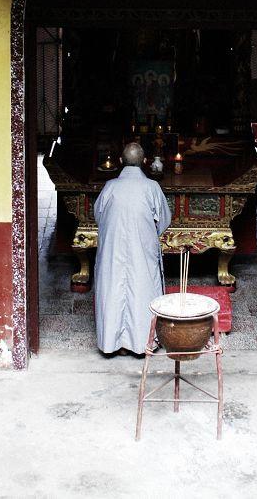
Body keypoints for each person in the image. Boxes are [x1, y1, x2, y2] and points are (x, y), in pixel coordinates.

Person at [94, 142, 172, 355]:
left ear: (120, 161)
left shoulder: (110, 186)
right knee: (142, 288)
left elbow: (98, 215)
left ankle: (112, 344)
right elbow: (164, 219)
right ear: (145, 162)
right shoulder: (151, 188)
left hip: (113, 247)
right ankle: (141, 344)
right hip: (142, 248)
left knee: (113, 288)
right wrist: (147, 233)